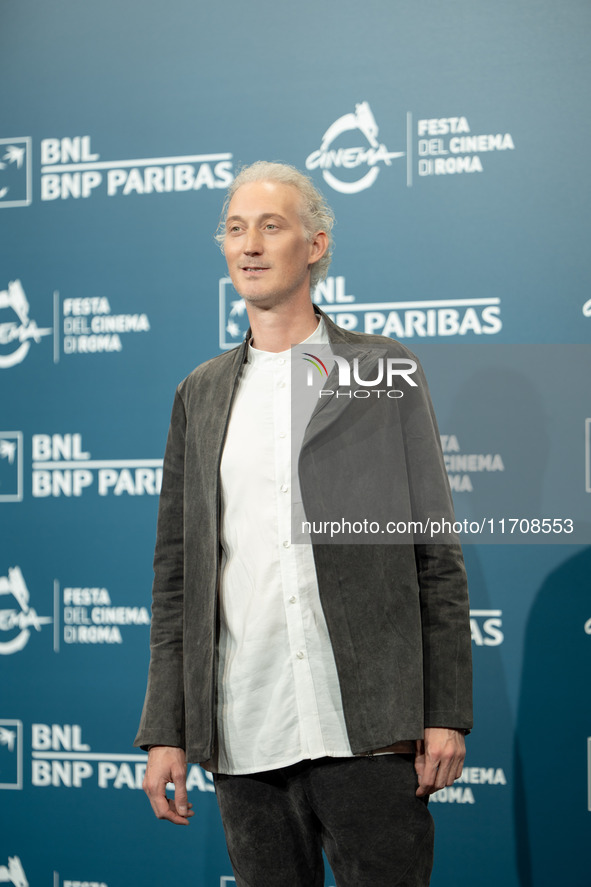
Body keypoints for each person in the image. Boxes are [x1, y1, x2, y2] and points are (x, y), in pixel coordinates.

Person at [135, 161, 472, 887]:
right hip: (244, 730)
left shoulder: (383, 371)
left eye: (271, 225)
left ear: (315, 245)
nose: (248, 244)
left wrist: (444, 712)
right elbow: (178, 578)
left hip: (369, 730)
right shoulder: (198, 394)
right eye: (234, 228)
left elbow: (434, 557)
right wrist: (166, 727)